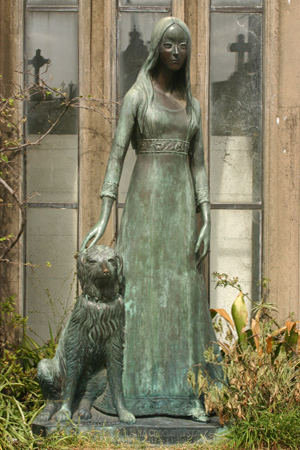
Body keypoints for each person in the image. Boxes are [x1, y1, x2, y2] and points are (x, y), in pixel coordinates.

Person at [81, 16, 222, 422]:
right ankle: (132, 392)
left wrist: (207, 215)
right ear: (156, 47)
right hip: (143, 203)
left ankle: (187, 393)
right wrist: (105, 213)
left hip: (179, 207)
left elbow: (198, 165)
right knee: (138, 290)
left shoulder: (192, 106)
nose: (176, 53)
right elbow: (117, 155)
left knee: (182, 292)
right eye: (169, 45)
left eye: (182, 46)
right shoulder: (137, 97)